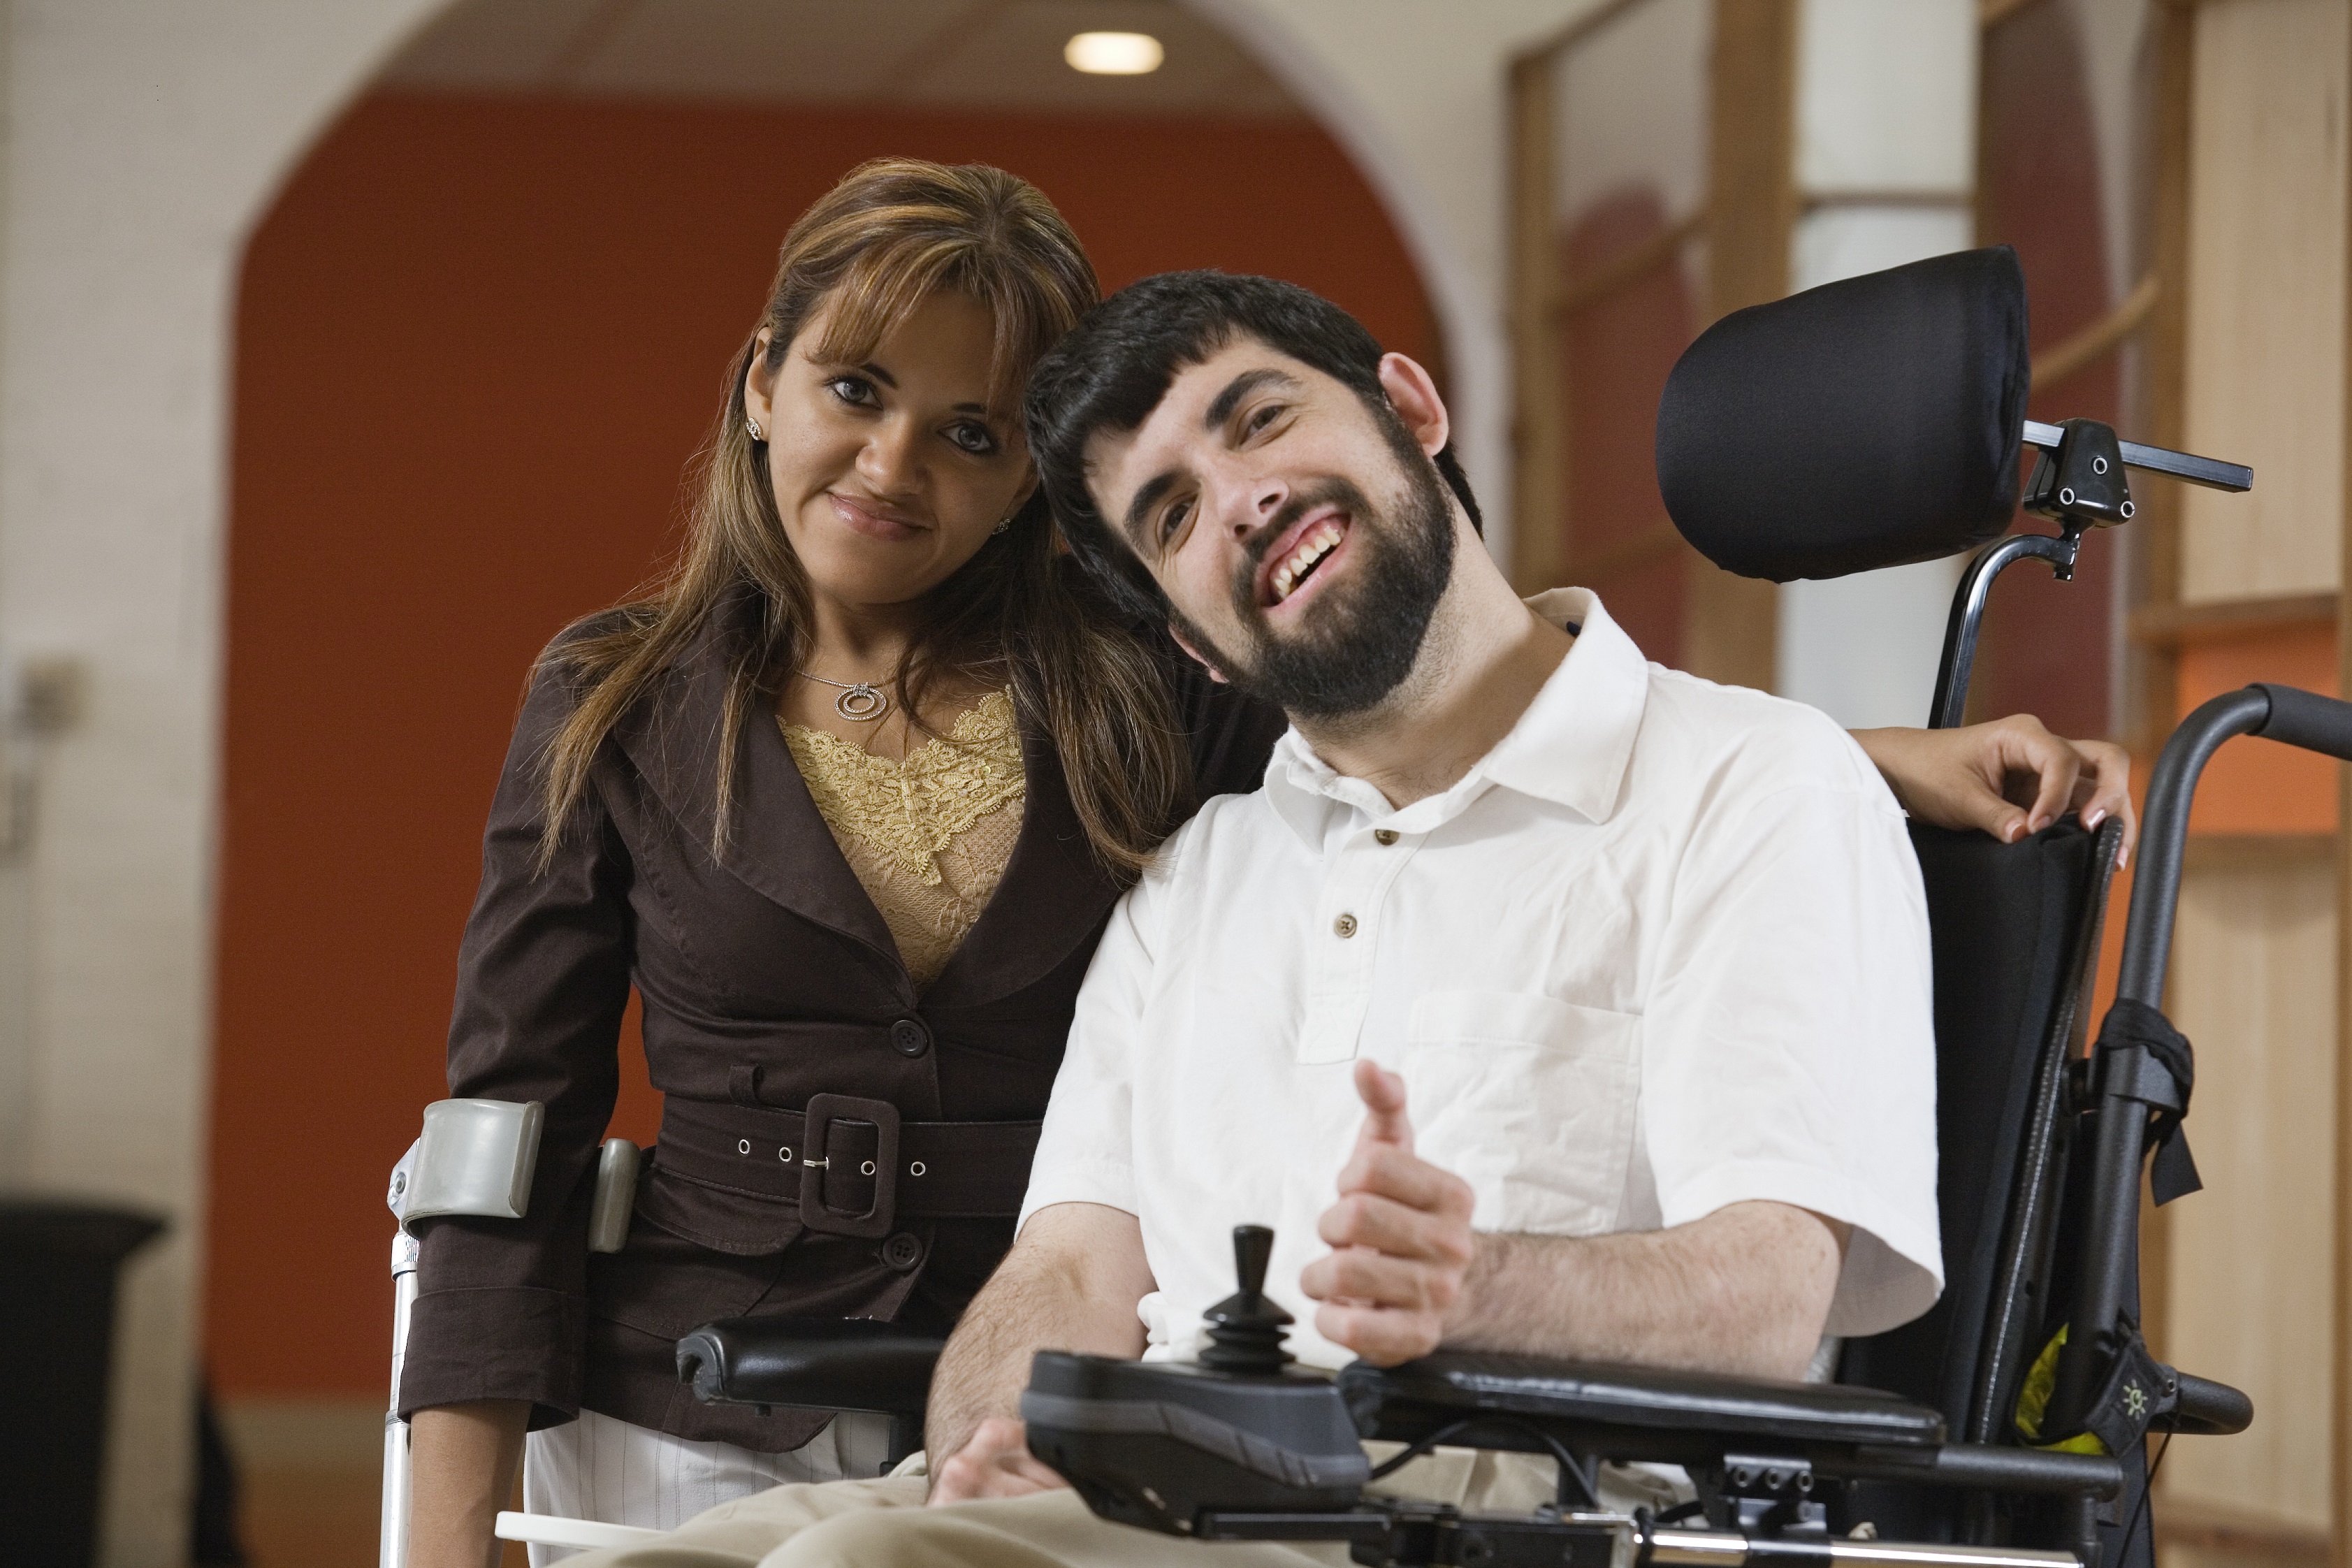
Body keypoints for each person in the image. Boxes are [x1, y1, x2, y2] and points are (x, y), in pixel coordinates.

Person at [405, 159, 2133, 1568]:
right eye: (1164, 513)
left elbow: (1772, 1296)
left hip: (1468, 1511)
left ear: (1409, 403)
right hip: (1062, 1470)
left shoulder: (1737, 792)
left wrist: (1481, 1288)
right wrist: (996, 1427)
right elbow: (1069, 1271)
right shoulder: (1203, 857)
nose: (1229, 505)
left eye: (1256, 422)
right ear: (1196, 641)